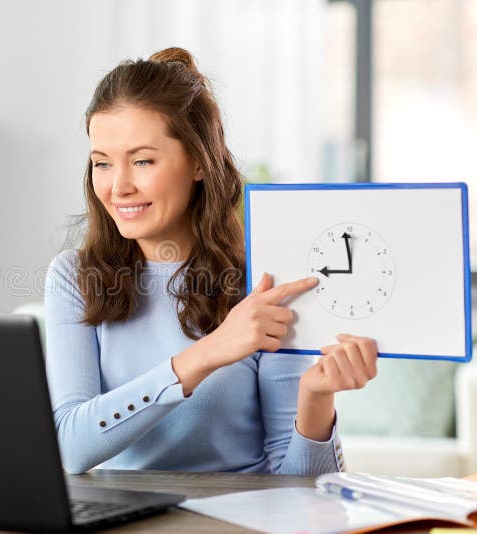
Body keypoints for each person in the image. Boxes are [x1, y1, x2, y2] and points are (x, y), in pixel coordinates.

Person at [44, 47, 378, 475]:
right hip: (120, 517)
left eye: (143, 160)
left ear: (199, 162)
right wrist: (209, 352)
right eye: (102, 164)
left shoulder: (262, 283)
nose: (118, 186)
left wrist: (316, 398)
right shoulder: (75, 277)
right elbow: (71, 447)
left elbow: (301, 488)